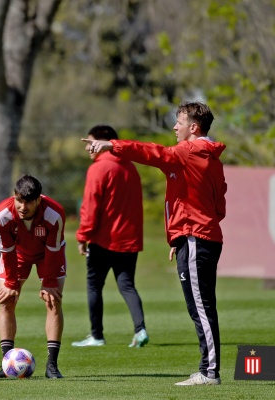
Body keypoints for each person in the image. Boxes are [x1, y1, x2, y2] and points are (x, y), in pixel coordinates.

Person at [82, 101, 226, 386]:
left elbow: (152, 152)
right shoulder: (209, 157)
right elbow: (218, 205)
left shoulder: (188, 151)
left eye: (179, 122)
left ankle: (210, 373)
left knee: (201, 307)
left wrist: (112, 145)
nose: (174, 127)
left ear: (193, 128)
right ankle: (207, 370)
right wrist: (179, 234)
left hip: (197, 237)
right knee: (201, 307)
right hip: (197, 236)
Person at [72, 125, 148, 348]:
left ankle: (97, 336)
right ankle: (140, 330)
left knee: (94, 286)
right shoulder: (130, 168)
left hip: (104, 240)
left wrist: (82, 236)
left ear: (104, 143)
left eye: (90, 143)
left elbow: (90, 206)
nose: (88, 148)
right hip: (129, 240)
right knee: (127, 285)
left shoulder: (98, 169)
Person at [0, 175, 67, 379]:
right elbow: (6, 251)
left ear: (38, 200)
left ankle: (52, 366)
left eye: (29, 202)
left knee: (53, 302)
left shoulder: (55, 214)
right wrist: (11, 283)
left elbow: (54, 250)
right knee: (6, 301)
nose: (23, 207)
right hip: (16, 255)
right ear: (14, 197)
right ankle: (7, 364)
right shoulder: (1, 215)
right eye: (19, 201)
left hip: (49, 255)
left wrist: (49, 282)